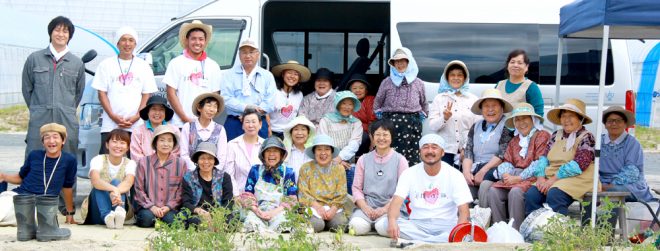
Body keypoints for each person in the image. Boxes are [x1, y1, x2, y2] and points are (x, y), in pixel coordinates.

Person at [385, 134, 472, 243]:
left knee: (466, 229)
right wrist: (392, 220)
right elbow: (396, 202)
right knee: (384, 223)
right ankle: (437, 242)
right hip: (417, 225)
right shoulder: (409, 173)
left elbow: (464, 212)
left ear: (443, 152)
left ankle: (418, 242)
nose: (430, 151)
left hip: (447, 225)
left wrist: (457, 233)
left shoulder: (455, 174)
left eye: (434, 147)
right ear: (420, 152)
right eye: (425, 147)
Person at [22, 16, 85, 158]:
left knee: (67, 158)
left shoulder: (76, 63)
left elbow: (78, 93)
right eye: (57, 30)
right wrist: (37, 108)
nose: (61, 34)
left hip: (66, 119)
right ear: (50, 33)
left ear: (70, 36)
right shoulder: (34, 59)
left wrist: (65, 108)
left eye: (65, 31)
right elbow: (27, 89)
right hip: (40, 117)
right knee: (35, 156)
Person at [0, 123, 76, 241]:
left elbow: (67, 187)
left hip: (43, 205)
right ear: (42, 142)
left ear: (63, 140)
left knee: (34, 219)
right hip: (19, 197)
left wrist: (70, 213)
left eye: (55, 136)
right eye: (47, 137)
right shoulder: (34, 155)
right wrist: (4, 176)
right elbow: (20, 178)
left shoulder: (69, 160)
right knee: (4, 204)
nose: (51, 141)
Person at [525, 98, 597, 216]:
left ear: (580, 119)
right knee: (531, 195)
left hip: (579, 178)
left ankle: (558, 232)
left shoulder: (586, 137)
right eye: (563, 116)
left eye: (571, 116)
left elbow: (579, 164)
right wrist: (541, 177)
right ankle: (536, 230)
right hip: (553, 177)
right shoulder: (555, 135)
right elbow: (543, 158)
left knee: (555, 195)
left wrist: (552, 180)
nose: (566, 120)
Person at [92, 26, 157, 154]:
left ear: (135, 43)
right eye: (123, 40)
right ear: (117, 43)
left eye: (131, 40)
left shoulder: (143, 66)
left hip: (136, 125)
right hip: (110, 125)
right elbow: (101, 93)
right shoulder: (106, 65)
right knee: (108, 162)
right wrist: (113, 116)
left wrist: (136, 117)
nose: (127, 44)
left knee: (134, 163)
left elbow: (146, 95)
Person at [486, 102, 550, 230]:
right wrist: (505, 174)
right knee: (493, 191)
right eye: (518, 119)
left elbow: (539, 163)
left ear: (533, 119)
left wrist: (519, 178)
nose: (521, 123)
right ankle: (500, 229)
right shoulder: (515, 140)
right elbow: (507, 161)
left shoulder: (542, 135)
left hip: (532, 177)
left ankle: (517, 230)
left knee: (515, 192)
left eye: (525, 118)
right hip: (514, 176)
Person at [349, 120, 408, 236]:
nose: (381, 138)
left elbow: (402, 191)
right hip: (367, 207)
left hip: (390, 207)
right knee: (356, 227)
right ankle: (370, 223)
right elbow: (356, 188)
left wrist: (384, 210)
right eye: (377, 134)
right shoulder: (363, 159)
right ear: (372, 136)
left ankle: (376, 225)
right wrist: (365, 207)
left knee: (383, 227)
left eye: (385, 134)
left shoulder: (400, 160)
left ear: (392, 137)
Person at [373, 47, 428, 165]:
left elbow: (424, 104)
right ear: (393, 64)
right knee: (390, 157)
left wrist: (420, 117)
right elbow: (377, 103)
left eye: (403, 60)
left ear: (409, 62)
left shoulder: (418, 83)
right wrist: (383, 120)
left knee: (411, 157)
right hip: (391, 124)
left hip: (412, 125)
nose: (400, 64)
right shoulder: (387, 81)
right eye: (396, 61)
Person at [164, 20, 221, 128]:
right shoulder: (176, 63)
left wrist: (204, 121)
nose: (197, 42)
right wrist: (185, 119)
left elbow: (215, 97)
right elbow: (171, 94)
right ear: (187, 40)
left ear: (205, 41)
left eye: (201, 39)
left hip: (204, 125)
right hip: (179, 124)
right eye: (193, 38)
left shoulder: (213, 66)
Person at [462, 89, 514, 208]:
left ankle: (485, 220)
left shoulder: (508, 125)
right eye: (486, 106)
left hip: (495, 170)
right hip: (476, 168)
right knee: (462, 185)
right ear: (481, 109)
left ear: (502, 108)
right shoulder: (476, 126)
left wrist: (483, 171)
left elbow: (502, 154)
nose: (490, 109)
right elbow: (468, 152)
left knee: (485, 185)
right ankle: (464, 222)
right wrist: (466, 172)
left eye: (494, 105)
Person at [221, 39, 277, 140]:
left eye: (251, 52)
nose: (247, 56)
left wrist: (251, 115)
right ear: (239, 55)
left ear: (258, 54)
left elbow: (270, 103)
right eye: (244, 52)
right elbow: (225, 98)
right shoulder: (228, 75)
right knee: (232, 153)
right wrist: (246, 108)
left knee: (259, 154)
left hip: (259, 121)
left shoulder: (267, 76)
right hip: (235, 122)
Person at [428, 60, 480, 168]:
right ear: (447, 78)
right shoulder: (439, 98)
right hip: (445, 149)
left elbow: (477, 127)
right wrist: (444, 118)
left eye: (460, 75)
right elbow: (432, 126)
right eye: (452, 75)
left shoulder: (473, 99)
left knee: (465, 181)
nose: (456, 78)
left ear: (465, 78)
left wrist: (466, 148)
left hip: (467, 149)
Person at [240, 137, 298, 232]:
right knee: (251, 222)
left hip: (279, 211)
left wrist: (273, 213)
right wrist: (256, 210)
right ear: (263, 154)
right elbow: (248, 195)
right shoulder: (255, 170)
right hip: (258, 211)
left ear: (281, 154)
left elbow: (291, 198)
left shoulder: (288, 172)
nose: (271, 154)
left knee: (284, 223)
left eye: (275, 151)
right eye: (268, 151)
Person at [134, 126, 187, 227]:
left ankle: (160, 222)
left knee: (172, 220)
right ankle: (156, 221)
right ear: (155, 142)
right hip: (148, 208)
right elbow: (138, 189)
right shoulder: (144, 162)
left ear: (174, 143)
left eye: (169, 141)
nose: (166, 144)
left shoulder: (181, 164)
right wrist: (152, 207)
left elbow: (181, 190)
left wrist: (168, 206)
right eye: (162, 140)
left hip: (170, 209)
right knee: (146, 219)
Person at [598, 106, 654, 202]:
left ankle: (608, 217)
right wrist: (597, 183)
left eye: (619, 121)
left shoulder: (632, 143)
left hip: (630, 183)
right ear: (605, 124)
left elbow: (631, 172)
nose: (614, 124)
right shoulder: (598, 141)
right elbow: (591, 165)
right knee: (587, 189)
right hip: (602, 182)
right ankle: (589, 217)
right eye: (610, 121)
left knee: (612, 191)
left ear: (625, 124)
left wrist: (607, 186)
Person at [84, 129, 136, 229]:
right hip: (97, 211)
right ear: (107, 145)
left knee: (116, 182)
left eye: (122, 143)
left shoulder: (130, 163)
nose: (118, 146)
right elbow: (95, 181)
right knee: (99, 186)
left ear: (127, 147)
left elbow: (128, 182)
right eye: (114, 141)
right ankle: (107, 216)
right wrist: (114, 190)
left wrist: (115, 192)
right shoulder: (98, 159)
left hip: (120, 205)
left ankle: (119, 214)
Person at [297, 135, 348, 232]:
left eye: (327, 149)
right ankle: (321, 222)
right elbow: (303, 193)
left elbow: (341, 193)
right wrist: (317, 207)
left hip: (333, 207)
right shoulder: (305, 168)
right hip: (313, 207)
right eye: (319, 149)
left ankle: (328, 221)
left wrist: (333, 210)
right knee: (317, 225)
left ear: (331, 152)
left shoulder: (339, 168)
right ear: (314, 152)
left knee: (341, 225)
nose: (323, 153)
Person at [318, 91, 363, 194]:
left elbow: (354, 144)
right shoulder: (325, 120)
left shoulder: (356, 123)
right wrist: (335, 160)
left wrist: (340, 158)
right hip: (327, 161)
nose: (347, 107)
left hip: (347, 163)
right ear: (337, 104)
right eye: (344, 103)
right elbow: (322, 143)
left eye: (350, 104)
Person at [181, 142, 233, 227]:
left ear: (214, 161)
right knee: (194, 221)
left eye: (210, 158)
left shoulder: (224, 177)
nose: (206, 162)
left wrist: (218, 214)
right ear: (197, 160)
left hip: (219, 212)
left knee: (230, 221)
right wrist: (198, 210)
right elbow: (186, 202)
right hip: (198, 213)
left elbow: (229, 201)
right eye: (202, 158)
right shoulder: (188, 178)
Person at [180, 92, 228, 171]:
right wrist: (195, 170)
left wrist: (212, 172)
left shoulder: (220, 129)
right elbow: (184, 154)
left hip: (213, 175)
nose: (212, 109)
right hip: (191, 173)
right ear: (199, 108)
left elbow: (222, 156)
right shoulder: (188, 127)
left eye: (215, 106)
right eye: (209, 105)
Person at [225, 108, 265, 197]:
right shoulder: (232, 145)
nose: (250, 125)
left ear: (260, 124)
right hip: (238, 195)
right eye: (247, 122)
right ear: (242, 125)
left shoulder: (266, 145)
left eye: (254, 122)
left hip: (262, 196)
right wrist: (237, 196)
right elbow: (229, 174)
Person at [268, 60, 311, 139]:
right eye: (289, 73)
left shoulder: (299, 95)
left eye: (296, 74)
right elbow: (265, 112)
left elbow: (298, 115)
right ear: (283, 74)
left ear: (299, 78)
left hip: (290, 134)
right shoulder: (273, 92)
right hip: (272, 132)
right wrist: (269, 131)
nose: (292, 76)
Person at [494, 49, 544, 116]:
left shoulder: (531, 87)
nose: (515, 65)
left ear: (526, 67)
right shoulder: (499, 85)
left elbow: (539, 113)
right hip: (499, 126)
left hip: (521, 126)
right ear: (507, 66)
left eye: (520, 63)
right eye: (512, 62)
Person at [130, 95, 180, 161]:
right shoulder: (138, 131)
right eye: (153, 109)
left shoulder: (174, 130)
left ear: (165, 113)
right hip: (144, 168)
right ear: (147, 112)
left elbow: (177, 152)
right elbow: (136, 155)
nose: (157, 113)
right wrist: (150, 166)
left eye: (161, 110)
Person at [347, 73, 377, 157]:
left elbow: (372, 122)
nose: (358, 90)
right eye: (354, 88)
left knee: (362, 137)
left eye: (361, 88)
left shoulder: (369, 100)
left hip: (364, 133)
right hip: (347, 132)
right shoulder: (346, 101)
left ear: (366, 90)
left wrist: (373, 141)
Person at [282, 116, 316, 181]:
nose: (299, 133)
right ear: (290, 133)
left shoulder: (314, 151)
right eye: (296, 129)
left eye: (303, 129)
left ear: (308, 133)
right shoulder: (284, 152)